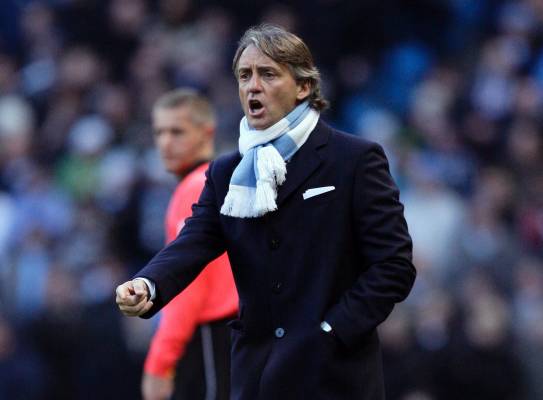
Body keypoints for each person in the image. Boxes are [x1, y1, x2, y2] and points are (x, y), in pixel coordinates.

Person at [116, 24, 416, 400]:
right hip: (257, 377)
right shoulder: (226, 172)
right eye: (245, 76)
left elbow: (393, 266)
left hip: (334, 379)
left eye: (268, 74)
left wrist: (332, 332)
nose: (252, 86)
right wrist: (147, 284)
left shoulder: (354, 160)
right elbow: (193, 242)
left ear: (303, 86)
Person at [141, 89, 238, 400]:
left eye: (177, 132)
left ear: (206, 133)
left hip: (212, 335)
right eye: (159, 132)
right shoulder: (220, 181)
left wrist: (159, 362)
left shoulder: (196, 188)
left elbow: (187, 285)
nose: (165, 143)